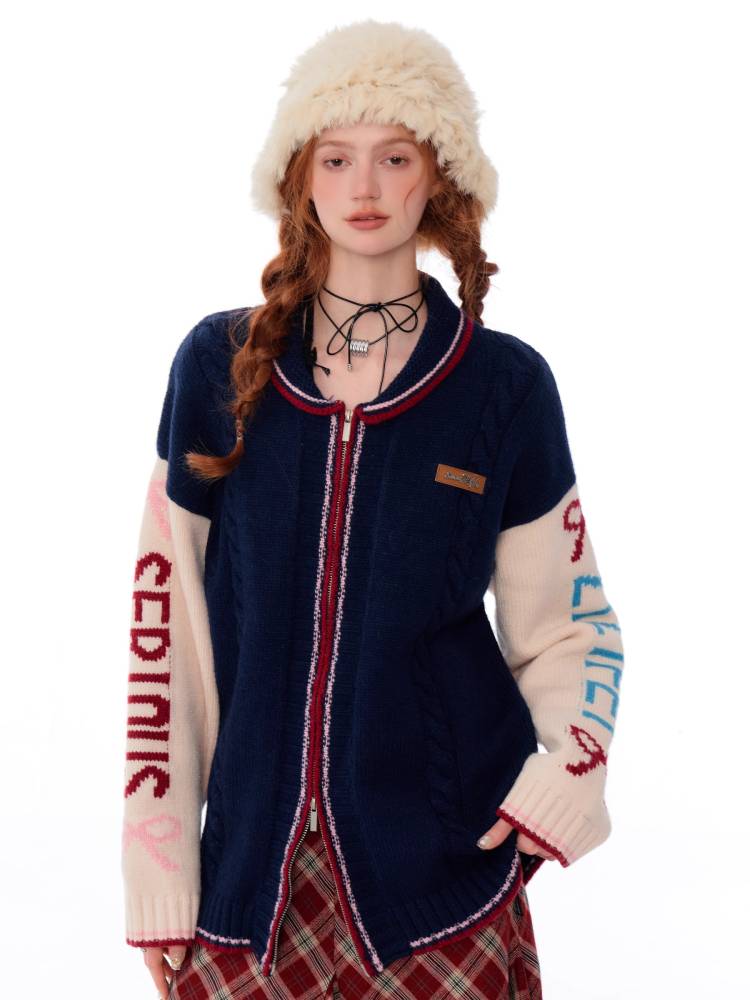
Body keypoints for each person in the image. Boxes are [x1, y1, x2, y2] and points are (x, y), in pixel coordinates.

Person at [121, 19, 624, 1000]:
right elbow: (166, 633)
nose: (364, 186)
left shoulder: (502, 387)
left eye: (394, 157)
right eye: (336, 157)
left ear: (438, 177)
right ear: (299, 177)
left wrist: (565, 776)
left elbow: (573, 628)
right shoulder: (219, 369)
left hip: (442, 891)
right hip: (247, 890)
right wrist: (159, 867)